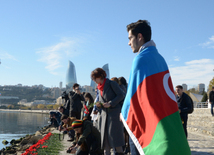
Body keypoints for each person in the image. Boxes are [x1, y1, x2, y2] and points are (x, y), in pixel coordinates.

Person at [121, 20, 190, 155]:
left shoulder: (139, 59)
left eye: (130, 38)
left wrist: (124, 113)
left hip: (145, 123)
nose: (128, 43)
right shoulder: (160, 58)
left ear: (139, 37)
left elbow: (133, 96)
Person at [91, 68, 125, 155]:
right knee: (105, 144)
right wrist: (99, 105)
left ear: (100, 76)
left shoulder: (111, 83)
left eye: (95, 78)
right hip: (103, 117)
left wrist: (110, 103)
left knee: (116, 142)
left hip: (113, 116)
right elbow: (101, 100)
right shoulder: (99, 88)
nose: (94, 81)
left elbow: (121, 95)